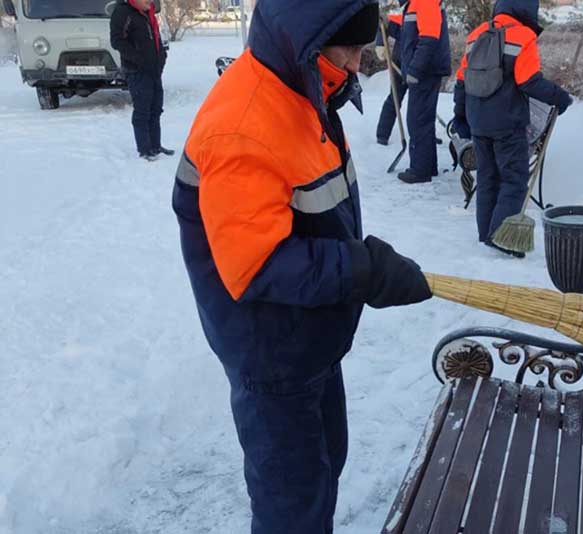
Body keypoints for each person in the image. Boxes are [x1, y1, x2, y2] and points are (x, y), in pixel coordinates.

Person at [171, 1, 432, 532]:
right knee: (293, 508)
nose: (358, 66)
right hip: (271, 352)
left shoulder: (300, 85)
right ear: (310, 38)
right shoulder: (243, 126)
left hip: (308, 335)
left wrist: (357, 267)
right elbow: (256, 264)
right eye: (351, 51)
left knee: (324, 464)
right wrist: (360, 269)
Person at [453, 0, 572, 257]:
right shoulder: (523, 36)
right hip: (506, 122)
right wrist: (560, 97)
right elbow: (529, 81)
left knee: (486, 178)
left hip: (478, 121)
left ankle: (485, 234)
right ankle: (502, 238)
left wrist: (460, 115)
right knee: (514, 180)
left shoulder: (477, 34)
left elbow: (461, 80)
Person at [110, 0, 173, 161]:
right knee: (142, 111)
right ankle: (144, 149)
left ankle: (155, 145)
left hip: (153, 70)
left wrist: (161, 58)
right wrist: (139, 59)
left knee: (156, 109)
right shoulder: (123, 12)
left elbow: (157, 40)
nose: (150, 1)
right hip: (137, 71)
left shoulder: (147, 13)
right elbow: (117, 41)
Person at [396, 0, 451, 184]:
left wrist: (414, 70)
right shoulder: (414, 4)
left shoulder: (425, 2)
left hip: (425, 72)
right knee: (422, 119)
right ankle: (427, 166)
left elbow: (429, 38)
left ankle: (420, 170)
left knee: (417, 119)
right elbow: (412, 37)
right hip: (426, 70)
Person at [374, 8, 406, 146]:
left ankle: (426, 137)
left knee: (422, 104)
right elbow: (383, 23)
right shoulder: (407, 13)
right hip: (401, 61)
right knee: (395, 97)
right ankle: (382, 134)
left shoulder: (430, 13)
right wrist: (380, 44)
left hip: (422, 64)